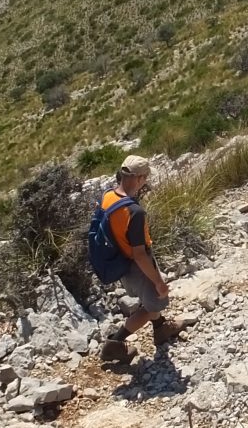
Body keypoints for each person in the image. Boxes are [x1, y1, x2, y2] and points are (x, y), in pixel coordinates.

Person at [99, 155, 186, 363]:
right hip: (138, 265)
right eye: (145, 178)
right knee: (152, 305)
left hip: (120, 261)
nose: (145, 182)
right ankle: (114, 344)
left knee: (150, 300)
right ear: (138, 178)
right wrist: (158, 281)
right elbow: (139, 254)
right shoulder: (134, 212)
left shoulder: (108, 197)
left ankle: (160, 327)